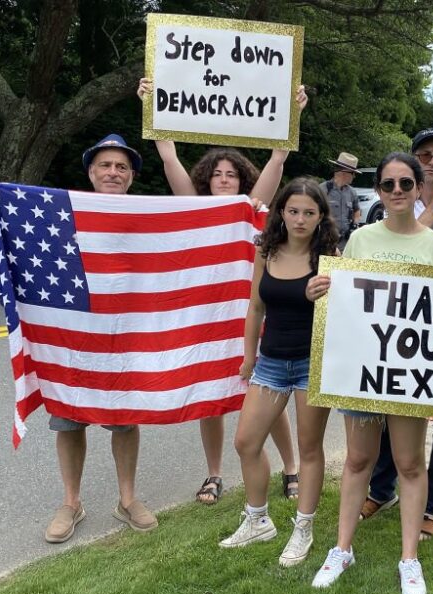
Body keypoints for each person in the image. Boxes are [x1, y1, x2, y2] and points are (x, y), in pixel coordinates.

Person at [0, 134, 158, 542]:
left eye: (121, 167)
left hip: (123, 337)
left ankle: (127, 499)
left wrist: (238, 209)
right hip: (74, 337)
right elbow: (20, 233)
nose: (113, 172)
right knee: (69, 420)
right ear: (91, 171)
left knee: (125, 421)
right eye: (105, 165)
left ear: (131, 176)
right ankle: (71, 502)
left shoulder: (148, 214)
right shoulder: (61, 212)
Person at [137, 79, 305, 505]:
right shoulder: (192, 208)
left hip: (249, 314)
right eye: (217, 174)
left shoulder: (252, 208)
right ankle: (214, 475)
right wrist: (153, 107)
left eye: (232, 174)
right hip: (206, 318)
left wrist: (292, 114)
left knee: (269, 393)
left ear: (242, 179)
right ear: (205, 180)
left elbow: (278, 160)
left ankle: (291, 467)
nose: (225, 179)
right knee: (209, 399)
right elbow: (168, 157)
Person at [307, 152, 433, 594]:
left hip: (409, 374)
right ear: (380, 189)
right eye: (388, 184)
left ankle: (409, 559)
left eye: (404, 184)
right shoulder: (361, 240)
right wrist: (320, 292)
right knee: (356, 461)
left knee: (410, 464)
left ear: (416, 188)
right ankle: (342, 548)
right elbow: (346, 303)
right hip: (362, 371)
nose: (395, 192)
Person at [361, 129, 433, 541]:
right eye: (424, 155)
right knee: (391, 408)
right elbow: (416, 239)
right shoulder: (399, 204)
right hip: (401, 317)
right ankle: (382, 490)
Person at [216, 178, 340, 568]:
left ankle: (303, 526)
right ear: (281, 213)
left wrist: (322, 296)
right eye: (293, 211)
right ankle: (258, 519)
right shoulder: (265, 250)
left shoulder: (329, 256)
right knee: (246, 442)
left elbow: (346, 313)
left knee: (308, 450)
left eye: (309, 212)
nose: (300, 219)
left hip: (311, 364)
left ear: (321, 217)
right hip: (270, 362)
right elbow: (256, 307)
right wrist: (248, 356)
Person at [319, 152, 362, 247]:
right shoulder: (322, 189)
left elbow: (357, 211)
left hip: (345, 242)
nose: (354, 176)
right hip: (325, 241)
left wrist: (354, 225)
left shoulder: (352, 192)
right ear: (344, 173)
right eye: (353, 173)